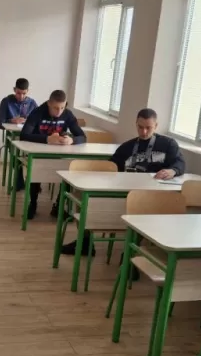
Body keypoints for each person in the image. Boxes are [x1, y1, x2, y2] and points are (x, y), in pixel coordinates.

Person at [61, 108, 185, 255]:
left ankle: (131, 254)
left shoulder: (168, 144)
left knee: (143, 212)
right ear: (136, 124)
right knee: (85, 200)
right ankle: (85, 243)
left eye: (148, 128)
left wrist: (172, 171)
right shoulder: (127, 147)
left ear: (156, 126)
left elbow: (180, 164)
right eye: (140, 127)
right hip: (125, 193)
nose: (144, 132)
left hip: (153, 196)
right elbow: (110, 168)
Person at [20, 89, 86, 219]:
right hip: (38, 153)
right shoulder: (37, 112)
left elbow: (82, 137)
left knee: (68, 171)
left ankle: (58, 206)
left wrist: (72, 140)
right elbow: (24, 135)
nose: (59, 111)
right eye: (55, 108)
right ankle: (33, 204)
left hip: (59, 154)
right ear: (49, 103)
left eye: (62, 107)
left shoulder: (68, 114)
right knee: (36, 172)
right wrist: (47, 139)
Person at [0, 78, 38, 191]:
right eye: (18, 93)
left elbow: (39, 122)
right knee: (16, 154)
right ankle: (20, 182)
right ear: (14, 90)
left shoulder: (32, 103)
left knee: (34, 155)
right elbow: (0, 123)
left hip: (28, 136)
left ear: (28, 91)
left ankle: (33, 183)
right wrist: (11, 121)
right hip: (12, 137)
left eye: (24, 93)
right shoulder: (6, 101)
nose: (21, 96)